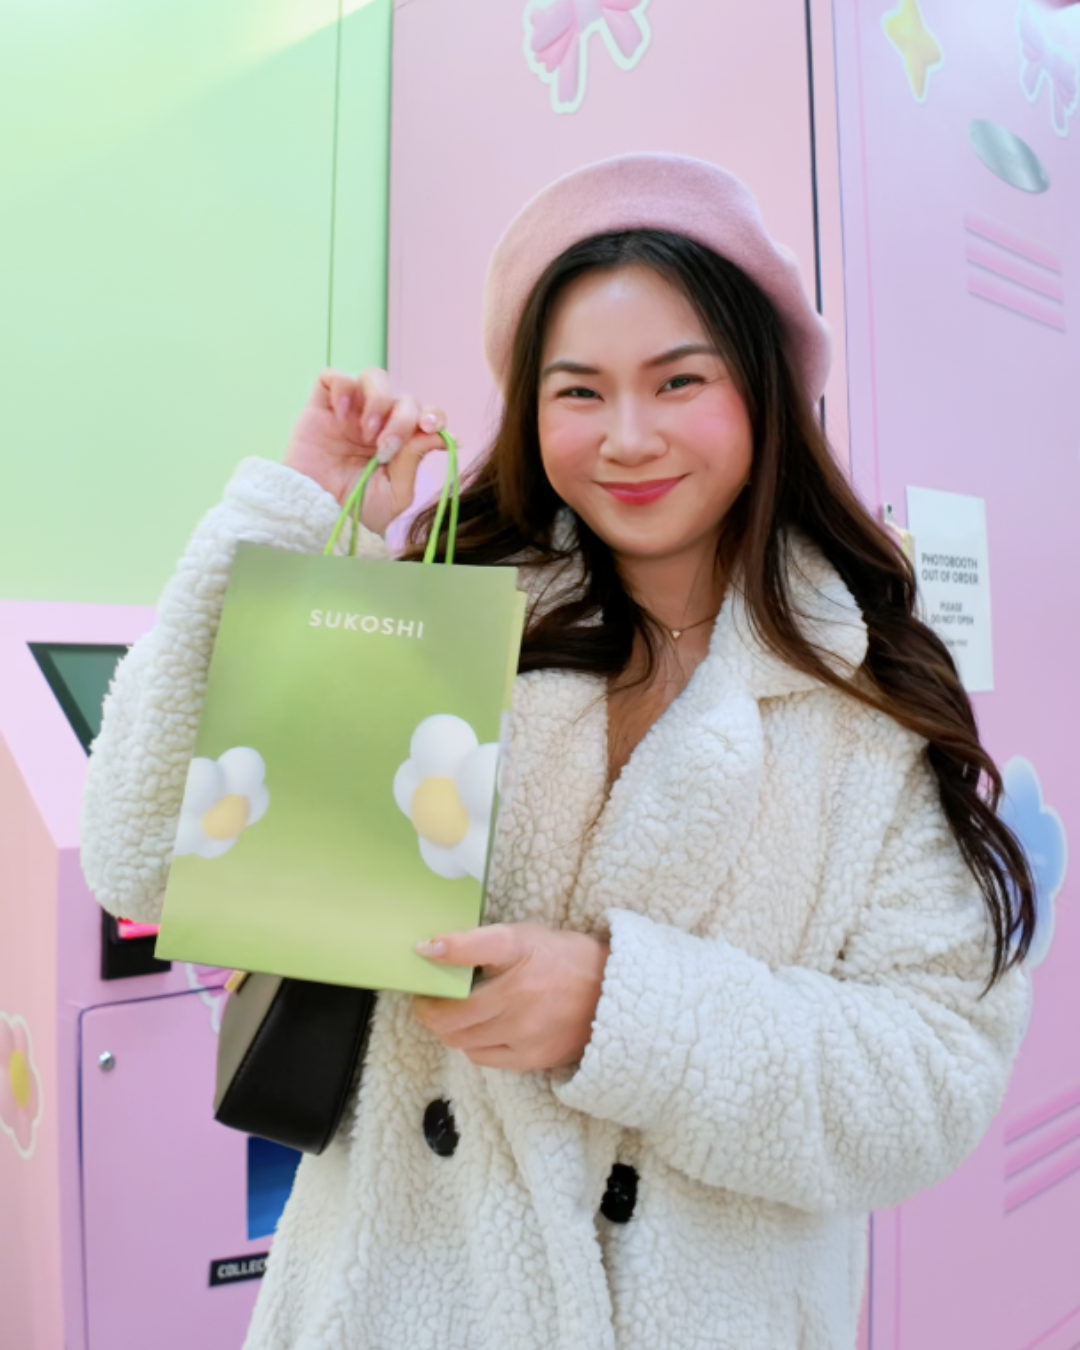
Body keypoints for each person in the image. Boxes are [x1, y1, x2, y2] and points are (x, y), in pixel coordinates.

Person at [81, 154, 1035, 1350]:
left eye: (679, 380)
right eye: (578, 391)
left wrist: (624, 1015)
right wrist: (292, 510)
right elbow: (141, 855)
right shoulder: (433, 616)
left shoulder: (867, 685)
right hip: (393, 1308)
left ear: (768, 391)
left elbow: (934, 1077)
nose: (628, 438)